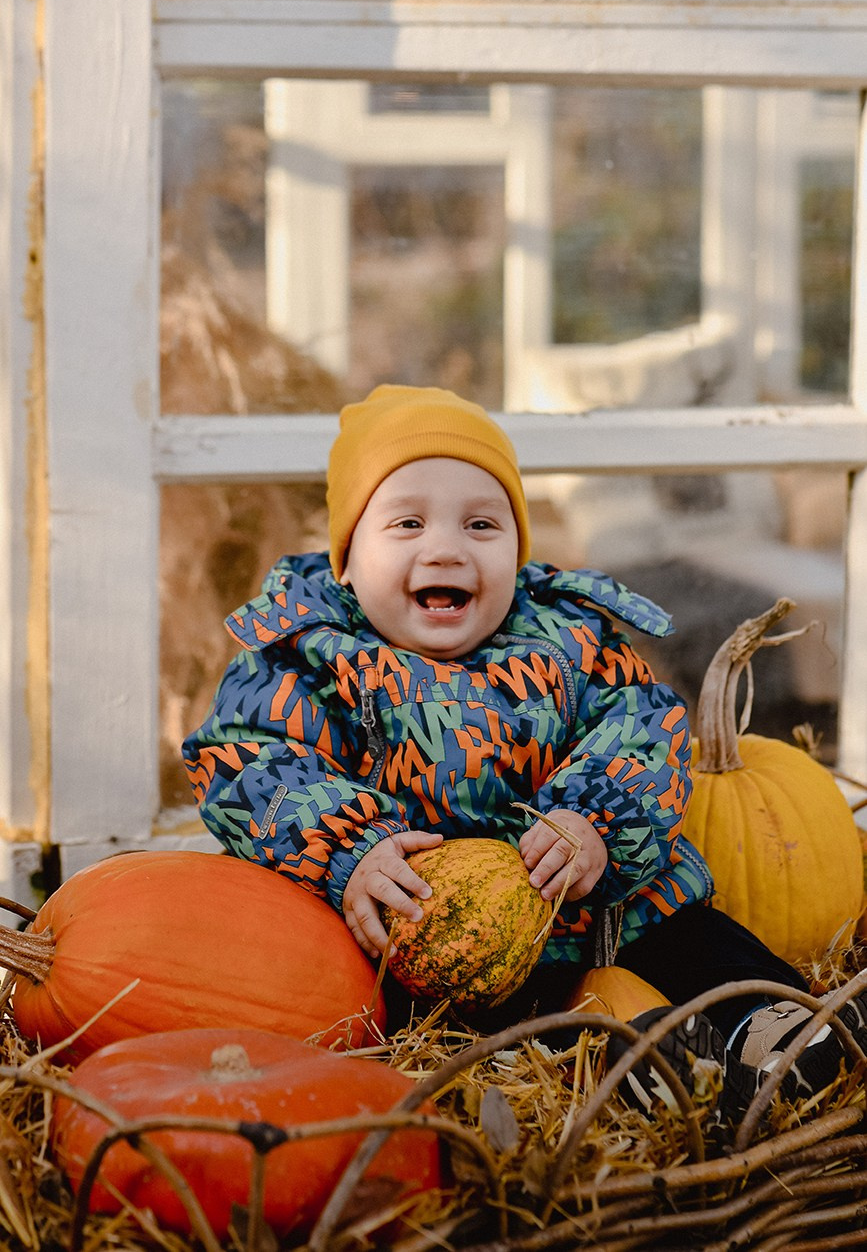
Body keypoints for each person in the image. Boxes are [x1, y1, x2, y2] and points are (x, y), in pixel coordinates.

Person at [182, 383, 867, 1122]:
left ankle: (778, 1025)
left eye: (481, 524)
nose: (444, 546)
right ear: (347, 556)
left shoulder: (568, 639)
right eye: (406, 522)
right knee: (476, 1027)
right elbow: (247, 758)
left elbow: (641, 724)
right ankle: (639, 1067)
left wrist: (594, 821)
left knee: (694, 935)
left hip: (606, 905)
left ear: (517, 548)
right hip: (423, 938)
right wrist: (350, 846)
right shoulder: (311, 656)